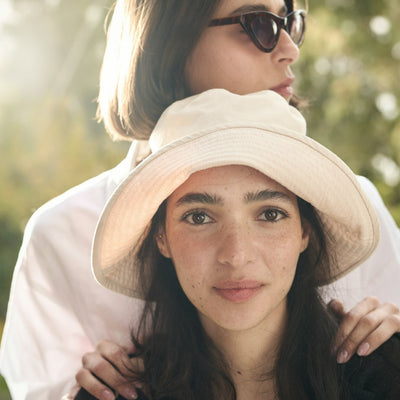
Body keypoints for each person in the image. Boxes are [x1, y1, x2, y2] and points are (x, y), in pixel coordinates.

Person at [1, 0, 399, 399]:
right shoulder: (62, 232)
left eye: (289, 22)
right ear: (170, 40)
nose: (289, 49)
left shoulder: (354, 205)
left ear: (307, 230)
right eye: (257, 24)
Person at [76, 89, 400, 400]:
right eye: (199, 217)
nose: (236, 255)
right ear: (161, 237)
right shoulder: (116, 390)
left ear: (305, 231)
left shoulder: (386, 374)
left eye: (270, 214)